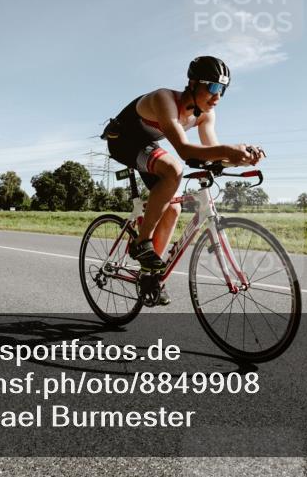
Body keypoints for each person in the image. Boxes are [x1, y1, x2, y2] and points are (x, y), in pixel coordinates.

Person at [102, 56, 265, 303]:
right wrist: (227, 150)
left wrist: (242, 158)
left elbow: (212, 153)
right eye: (212, 87)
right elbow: (185, 150)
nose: (217, 96)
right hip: (122, 140)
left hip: (146, 145)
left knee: (173, 208)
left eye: (222, 89)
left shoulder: (206, 115)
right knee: (173, 170)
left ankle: (150, 276)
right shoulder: (164, 99)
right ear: (192, 83)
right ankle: (141, 243)